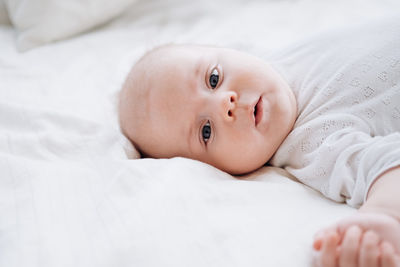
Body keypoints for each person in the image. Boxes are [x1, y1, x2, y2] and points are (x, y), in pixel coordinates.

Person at [119, 17, 400, 267]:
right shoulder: (314, 144)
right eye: (206, 131)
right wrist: (383, 218)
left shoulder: (268, 58)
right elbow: (386, 165)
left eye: (213, 79)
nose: (224, 105)